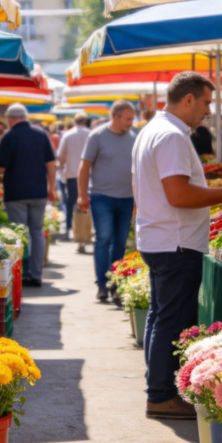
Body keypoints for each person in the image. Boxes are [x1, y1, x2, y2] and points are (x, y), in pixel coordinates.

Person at [132, 73, 222, 419]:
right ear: (188, 100)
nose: (208, 111)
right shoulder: (170, 136)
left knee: (160, 317)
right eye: (206, 102)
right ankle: (161, 395)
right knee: (171, 319)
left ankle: (159, 390)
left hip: (163, 237)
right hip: (175, 241)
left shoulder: (155, 130)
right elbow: (179, 195)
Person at [78, 101, 137, 303]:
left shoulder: (134, 136)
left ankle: (116, 285)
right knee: (103, 238)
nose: (131, 122)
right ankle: (102, 285)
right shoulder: (97, 135)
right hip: (101, 197)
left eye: (132, 119)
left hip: (127, 198)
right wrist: (82, 194)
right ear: (116, 116)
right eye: (128, 118)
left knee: (120, 242)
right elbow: (84, 167)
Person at [0, 103, 56, 288]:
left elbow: (0, 167)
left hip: (16, 193)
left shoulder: (9, 137)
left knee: (20, 234)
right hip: (39, 192)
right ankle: (35, 274)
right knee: (36, 232)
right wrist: (51, 188)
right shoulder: (41, 135)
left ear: (10, 119)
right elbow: (51, 164)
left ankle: (21, 274)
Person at [56, 114, 90, 245]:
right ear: (85, 121)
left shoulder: (67, 135)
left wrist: (62, 167)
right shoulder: (90, 134)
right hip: (88, 175)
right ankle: (87, 231)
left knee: (71, 202)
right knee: (87, 203)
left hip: (71, 174)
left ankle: (69, 229)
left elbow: (61, 155)